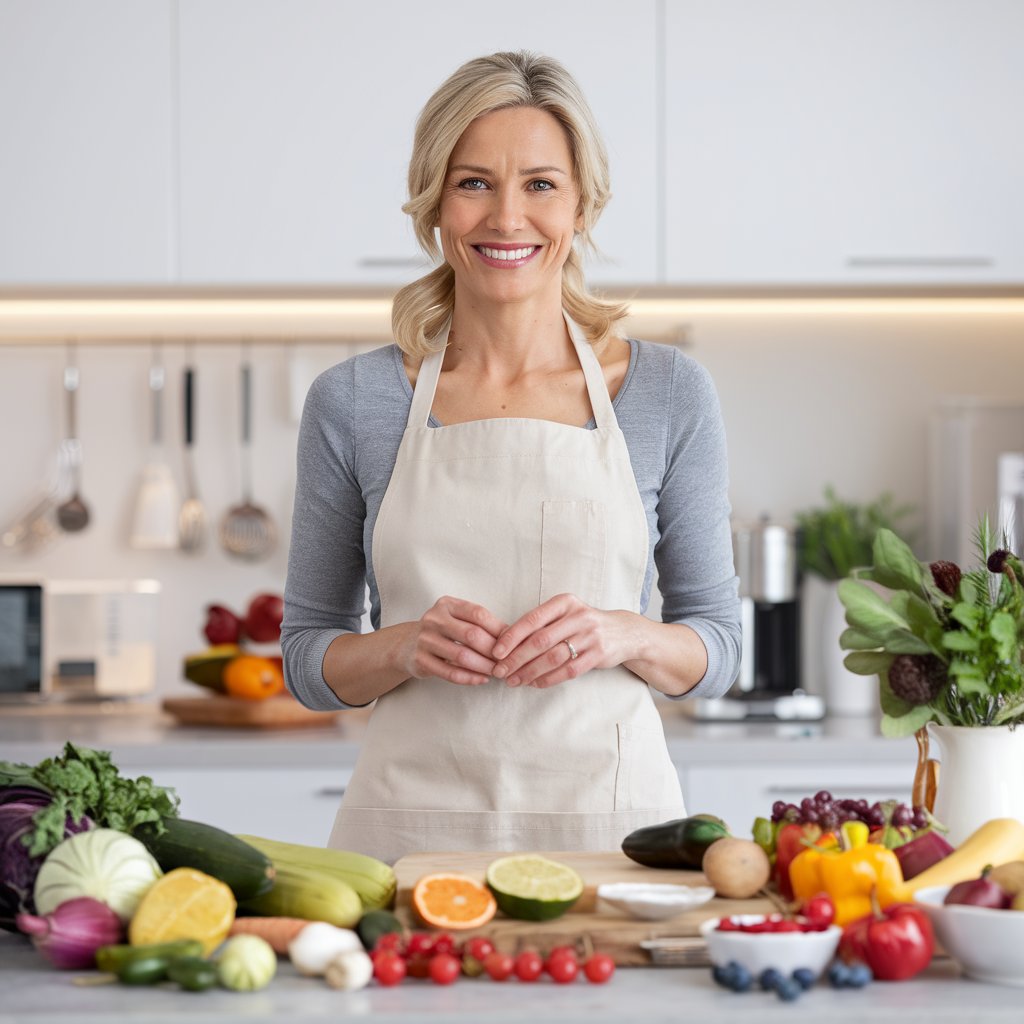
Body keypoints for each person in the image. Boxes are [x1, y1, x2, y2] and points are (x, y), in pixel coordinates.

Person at [282, 50, 741, 864]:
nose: (506, 217)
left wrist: (623, 635)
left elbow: (717, 648)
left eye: (539, 184)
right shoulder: (353, 402)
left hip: (613, 834)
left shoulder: (668, 392)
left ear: (582, 204)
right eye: (473, 183)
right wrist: (402, 645)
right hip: (407, 838)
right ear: (433, 203)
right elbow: (309, 658)